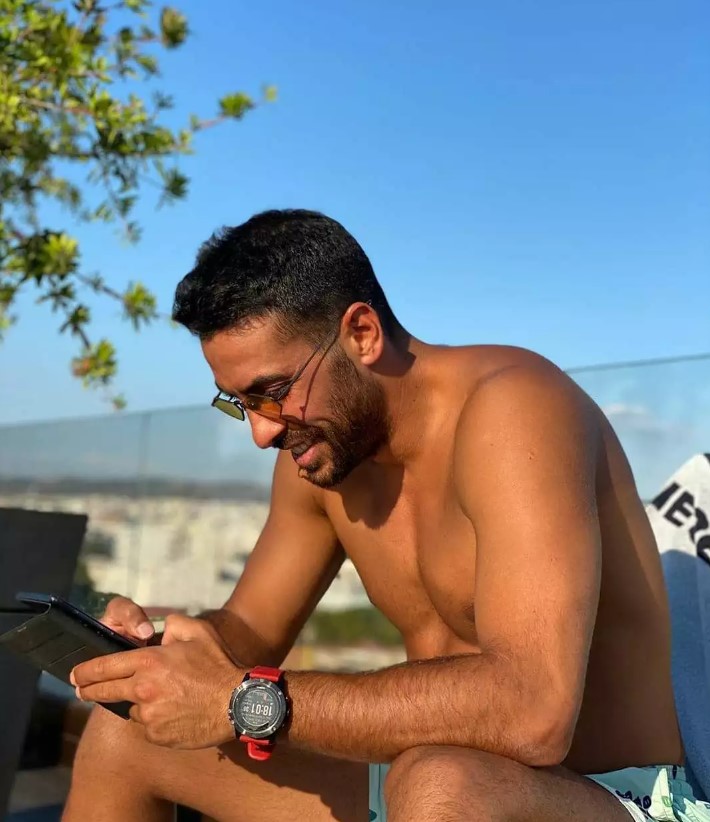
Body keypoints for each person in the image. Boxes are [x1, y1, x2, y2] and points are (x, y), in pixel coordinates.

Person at [64, 209, 704, 822]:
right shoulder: (323, 457)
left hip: (617, 797)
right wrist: (160, 656)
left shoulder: (516, 409)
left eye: (274, 392)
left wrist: (244, 701)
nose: (261, 432)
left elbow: (535, 713)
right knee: (125, 737)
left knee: (440, 782)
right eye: (240, 404)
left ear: (362, 334)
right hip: (419, 785)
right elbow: (246, 634)